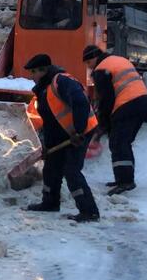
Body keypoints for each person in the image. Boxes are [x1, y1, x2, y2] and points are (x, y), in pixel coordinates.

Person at [24, 53, 100, 223]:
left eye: (33, 72)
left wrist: (79, 131)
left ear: (42, 71)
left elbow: (80, 102)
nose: (31, 76)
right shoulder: (44, 90)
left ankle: (89, 211)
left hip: (81, 131)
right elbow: (51, 122)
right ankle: (50, 202)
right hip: (64, 134)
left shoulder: (61, 81)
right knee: (51, 165)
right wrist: (47, 146)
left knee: (71, 169)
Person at [83, 44, 147, 195]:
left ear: (93, 58)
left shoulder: (101, 70)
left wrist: (103, 124)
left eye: (88, 63)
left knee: (118, 143)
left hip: (128, 104)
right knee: (123, 142)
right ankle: (124, 178)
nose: (89, 68)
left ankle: (125, 181)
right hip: (143, 102)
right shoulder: (118, 60)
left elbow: (106, 100)